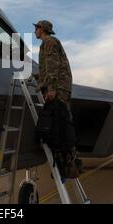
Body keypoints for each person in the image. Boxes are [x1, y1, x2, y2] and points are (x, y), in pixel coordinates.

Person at [33, 20, 80, 179]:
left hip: (58, 87)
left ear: (42, 29)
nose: (35, 31)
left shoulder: (49, 41)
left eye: (36, 28)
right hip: (60, 86)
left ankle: (69, 163)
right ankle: (68, 162)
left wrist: (51, 87)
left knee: (60, 123)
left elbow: (53, 65)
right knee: (61, 122)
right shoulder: (49, 42)